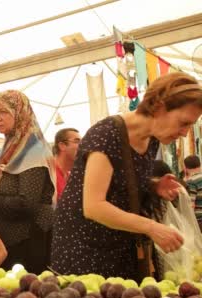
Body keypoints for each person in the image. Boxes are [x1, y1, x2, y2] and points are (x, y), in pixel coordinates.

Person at [51, 72, 202, 279]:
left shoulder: (153, 138)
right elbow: (94, 206)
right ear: (159, 107)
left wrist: (154, 186)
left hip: (120, 245)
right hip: (85, 249)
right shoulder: (106, 135)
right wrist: (151, 227)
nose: (185, 133)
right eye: (183, 123)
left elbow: (119, 181)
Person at [0, 90, 55, 274]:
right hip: (10, 244)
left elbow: (27, 204)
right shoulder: (11, 148)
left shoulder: (33, 150)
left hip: (27, 244)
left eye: (4, 112)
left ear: (20, 113)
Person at [53, 128, 81, 200]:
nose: (82, 145)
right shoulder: (49, 174)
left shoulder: (70, 176)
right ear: (62, 146)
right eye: (77, 141)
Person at [184, 155, 202, 227]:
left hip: (199, 219)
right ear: (200, 165)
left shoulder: (191, 181)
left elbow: (191, 204)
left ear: (185, 168)